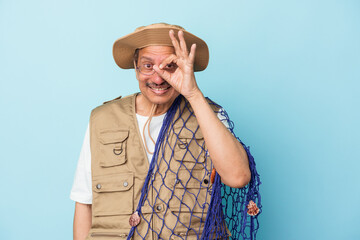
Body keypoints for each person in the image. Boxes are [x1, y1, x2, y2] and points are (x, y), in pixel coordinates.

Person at [70, 23, 260, 240]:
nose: (158, 78)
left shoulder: (209, 114)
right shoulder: (102, 120)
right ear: (135, 67)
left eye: (169, 66)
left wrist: (193, 94)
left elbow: (238, 177)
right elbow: (84, 203)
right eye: (148, 65)